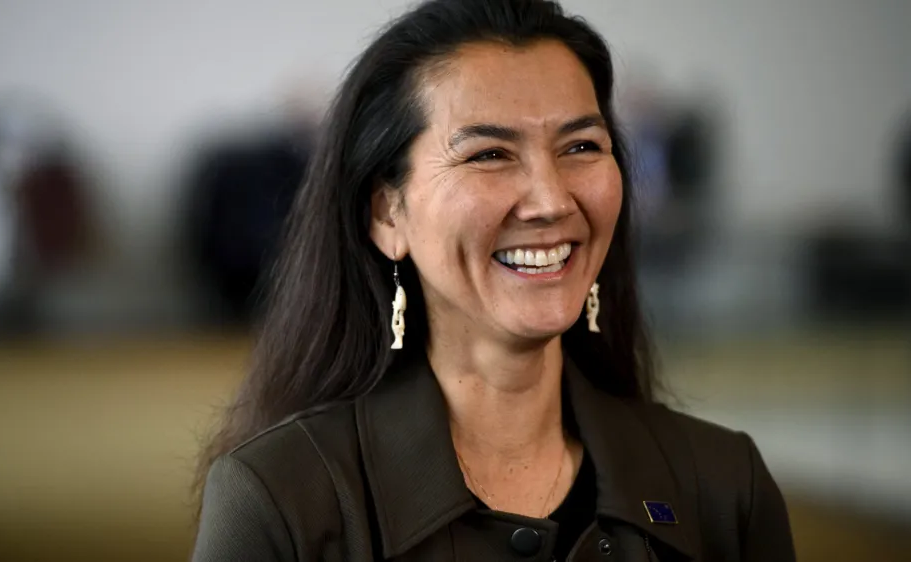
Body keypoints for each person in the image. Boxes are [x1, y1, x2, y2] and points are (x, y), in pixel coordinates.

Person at [192, 1, 796, 560]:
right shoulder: (281, 500)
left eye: (582, 145)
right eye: (489, 154)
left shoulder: (723, 485)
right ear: (386, 213)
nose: (551, 201)